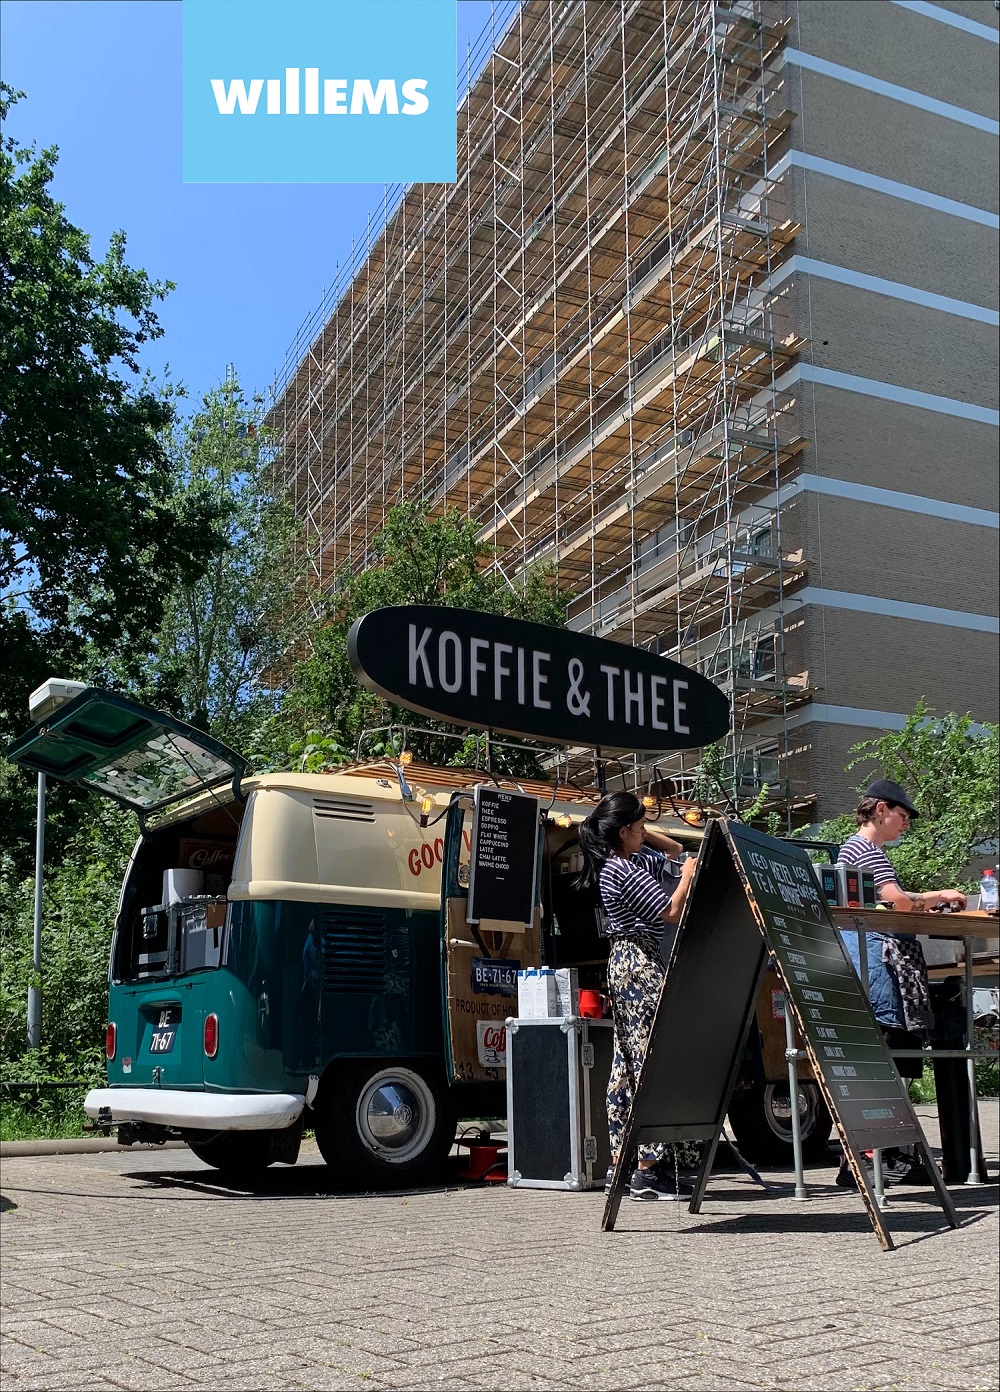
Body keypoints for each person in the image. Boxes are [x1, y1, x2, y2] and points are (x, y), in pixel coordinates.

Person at [835, 779, 967, 1187]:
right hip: (877, 959)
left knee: (883, 1052)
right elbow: (896, 901)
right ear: (880, 810)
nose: (905, 825)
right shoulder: (865, 851)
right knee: (888, 1051)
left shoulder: (856, 850)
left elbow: (891, 897)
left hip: (869, 957)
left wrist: (926, 895)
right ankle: (883, 1154)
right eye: (903, 816)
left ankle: (862, 1157)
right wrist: (933, 897)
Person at [577, 791, 699, 1200]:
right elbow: (670, 911)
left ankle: (627, 1163)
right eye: (640, 825)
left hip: (635, 962)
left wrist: (649, 834)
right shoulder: (620, 870)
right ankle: (647, 1166)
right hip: (636, 963)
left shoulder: (630, 859)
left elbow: (676, 848)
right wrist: (687, 875)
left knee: (629, 1062)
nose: (647, 831)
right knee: (645, 1058)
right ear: (624, 831)